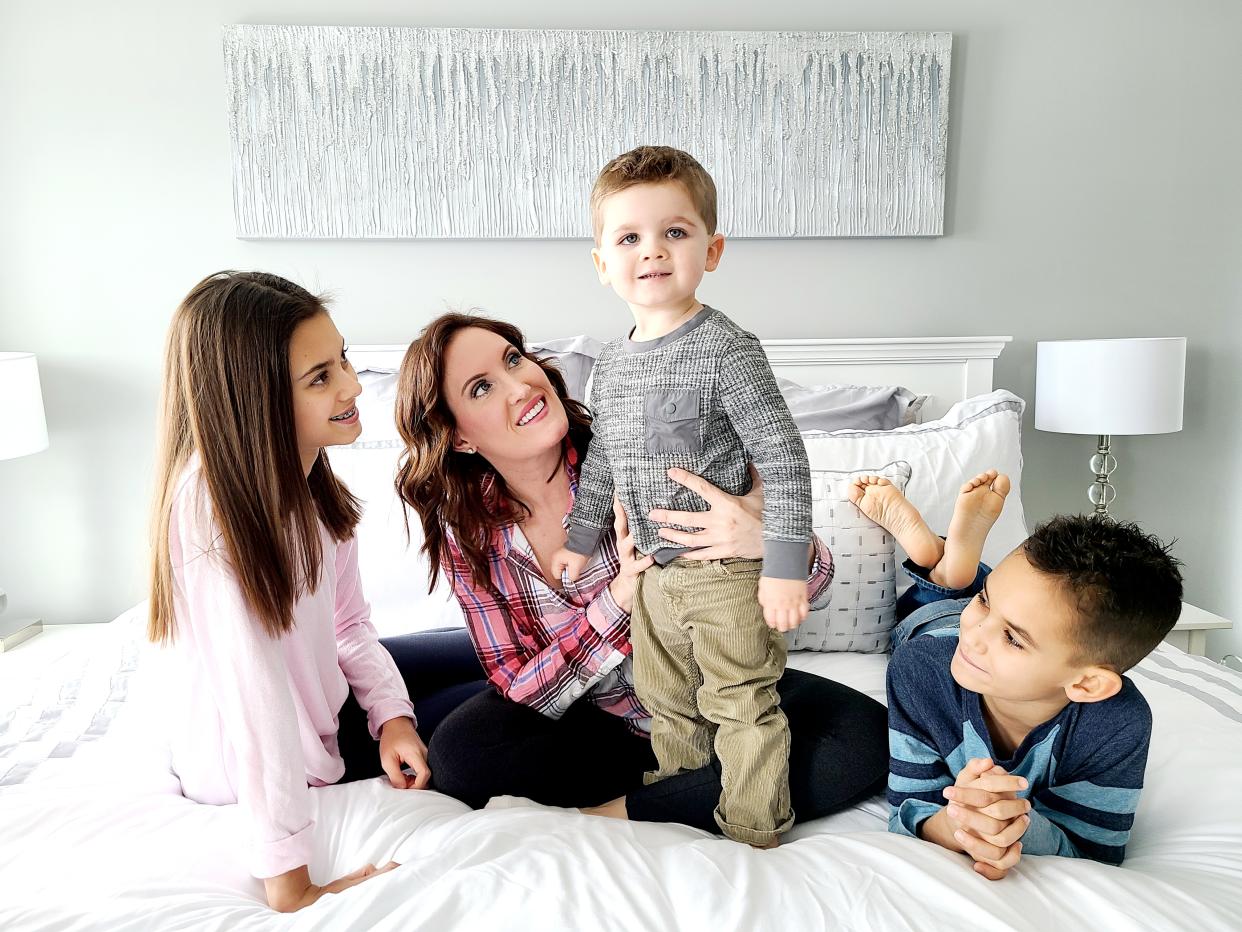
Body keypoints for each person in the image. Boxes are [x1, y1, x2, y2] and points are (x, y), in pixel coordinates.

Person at [393, 311, 888, 842]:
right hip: (598, 717)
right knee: (457, 755)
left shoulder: (651, 453)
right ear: (460, 437)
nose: (521, 385)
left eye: (515, 359)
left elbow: (804, 585)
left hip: (714, 688)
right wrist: (619, 599)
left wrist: (763, 539)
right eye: (483, 386)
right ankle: (695, 788)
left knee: (863, 742)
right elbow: (520, 686)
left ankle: (631, 808)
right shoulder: (470, 533)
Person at [147, 271, 486, 912]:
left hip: (318, 698)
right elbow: (256, 698)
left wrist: (392, 716)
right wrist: (293, 886)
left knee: (489, 651)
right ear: (258, 400)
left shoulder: (305, 480)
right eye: (321, 378)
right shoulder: (211, 509)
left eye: (344, 360)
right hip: (282, 748)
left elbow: (350, 623)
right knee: (505, 701)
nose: (354, 387)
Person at [548, 145, 813, 847]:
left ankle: (754, 835)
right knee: (666, 703)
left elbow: (784, 459)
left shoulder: (728, 349)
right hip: (654, 583)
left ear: (712, 248)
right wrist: (578, 540)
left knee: (741, 703)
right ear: (603, 263)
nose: (652, 251)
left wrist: (785, 566)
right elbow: (603, 459)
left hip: (724, 577)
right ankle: (680, 823)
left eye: (675, 231)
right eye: (629, 237)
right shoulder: (608, 365)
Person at [846, 470, 1184, 880]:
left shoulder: (1118, 723)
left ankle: (957, 570)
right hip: (931, 631)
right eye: (986, 602)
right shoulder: (921, 669)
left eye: (1014, 640)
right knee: (925, 616)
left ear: (1086, 685)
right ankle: (952, 574)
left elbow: (1095, 852)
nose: (974, 637)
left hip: (964, 629)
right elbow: (907, 805)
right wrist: (957, 825)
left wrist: (1009, 826)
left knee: (971, 603)